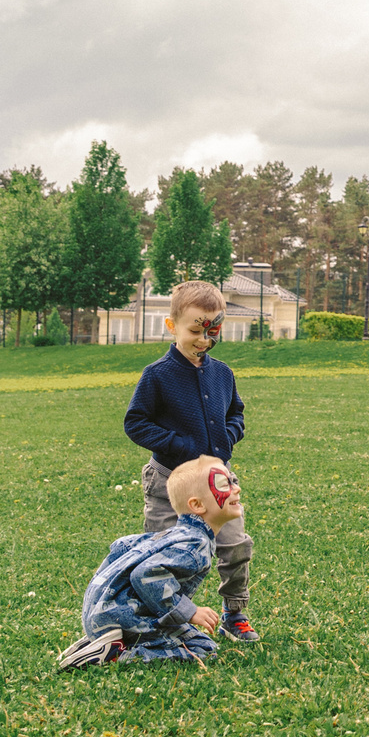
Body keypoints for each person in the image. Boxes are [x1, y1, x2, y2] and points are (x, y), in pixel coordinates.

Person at [123, 280, 255, 643]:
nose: (204, 339)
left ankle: (234, 612)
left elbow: (236, 415)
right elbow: (135, 422)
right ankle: (167, 619)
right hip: (170, 482)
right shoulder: (157, 375)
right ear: (172, 326)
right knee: (163, 554)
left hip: (216, 482)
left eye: (213, 330)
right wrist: (178, 445)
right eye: (195, 329)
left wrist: (227, 437)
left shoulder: (223, 373)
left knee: (235, 545)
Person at [58, 456, 235, 668]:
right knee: (203, 649)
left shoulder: (174, 534)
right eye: (225, 485)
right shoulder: (195, 543)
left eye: (233, 481)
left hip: (101, 612)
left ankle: (104, 641)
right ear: (196, 504)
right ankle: (118, 654)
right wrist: (189, 611)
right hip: (123, 616)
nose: (237, 489)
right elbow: (145, 573)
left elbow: (121, 546)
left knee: (192, 636)